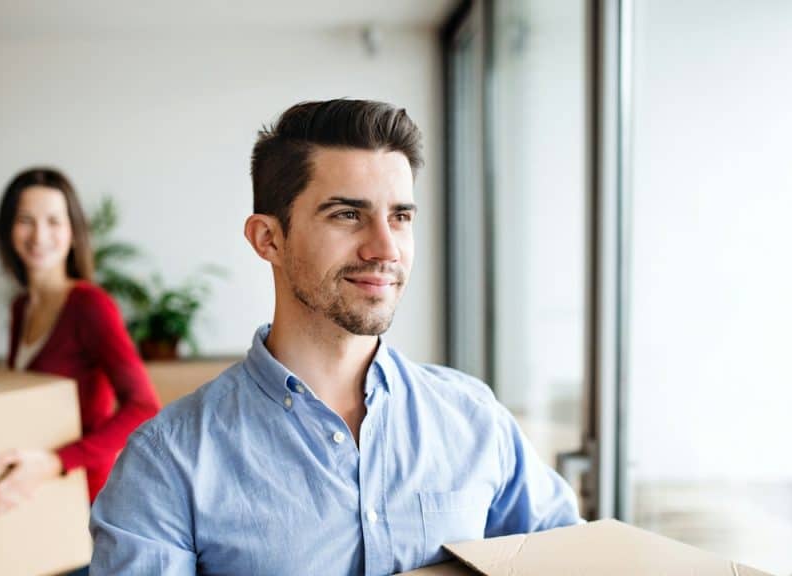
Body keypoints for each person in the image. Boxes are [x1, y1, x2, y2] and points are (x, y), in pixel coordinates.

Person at [89, 100, 580, 575]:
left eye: (401, 217)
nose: (385, 248)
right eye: (348, 214)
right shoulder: (168, 460)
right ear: (269, 239)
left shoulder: (474, 419)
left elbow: (573, 559)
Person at [0, 168, 161, 573]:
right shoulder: (21, 308)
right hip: (37, 491)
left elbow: (144, 406)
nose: (39, 235)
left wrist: (56, 461)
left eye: (54, 221)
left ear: (73, 231)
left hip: (85, 504)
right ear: (8, 230)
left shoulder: (89, 307)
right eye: (26, 220)